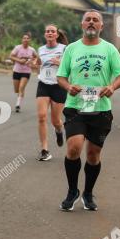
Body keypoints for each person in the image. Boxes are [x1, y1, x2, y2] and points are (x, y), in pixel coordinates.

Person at [56, 11, 120, 211]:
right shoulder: (72, 49)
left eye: (95, 20)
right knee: (74, 147)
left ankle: (88, 193)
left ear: (101, 26)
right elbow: (61, 76)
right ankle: (72, 191)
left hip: (100, 108)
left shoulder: (109, 49)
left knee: (93, 155)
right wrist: (68, 87)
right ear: (82, 24)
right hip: (75, 106)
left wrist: (112, 87)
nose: (91, 22)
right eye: (87, 19)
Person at [34, 25, 67, 161]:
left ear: (57, 35)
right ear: (45, 34)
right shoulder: (40, 49)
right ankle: (44, 150)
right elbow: (38, 64)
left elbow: (70, 66)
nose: (50, 33)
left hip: (58, 86)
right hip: (43, 84)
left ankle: (59, 130)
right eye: (47, 31)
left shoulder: (64, 49)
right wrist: (35, 65)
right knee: (42, 116)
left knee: (56, 121)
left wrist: (60, 63)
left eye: (52, 31)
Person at [10, 34, 38, 113]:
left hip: (26, 71)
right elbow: (11, 56)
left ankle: (18, 104)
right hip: (17, 70)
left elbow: (36, 57)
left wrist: (32, 62)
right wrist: (19, 60)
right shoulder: (17, 48)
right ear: (22, 40)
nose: (26, 39)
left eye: (27, 38)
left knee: (21, 87)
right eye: (24, 38)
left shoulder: (32, 50)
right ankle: (20, 94)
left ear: (29, 40)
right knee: (16, 90)